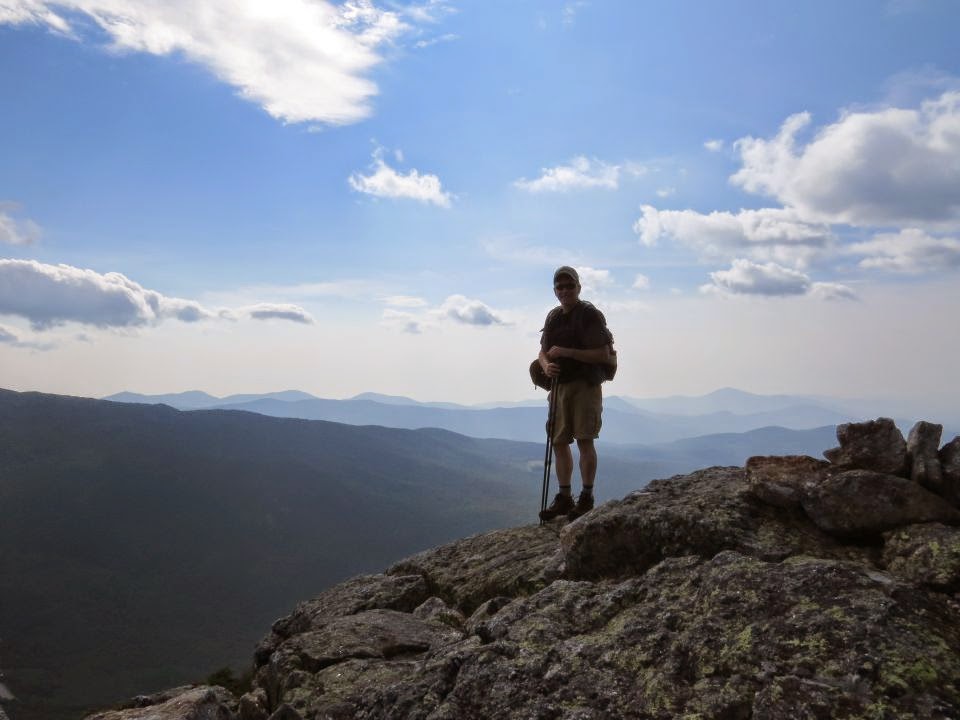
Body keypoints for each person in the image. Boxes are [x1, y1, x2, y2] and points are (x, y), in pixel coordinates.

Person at [538, 266, 614, 521]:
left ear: (579, 288)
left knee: (584, 440)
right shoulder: (553, 317)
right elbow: (543, 352)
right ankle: (564, 497)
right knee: (559, 442)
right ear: (555, 291)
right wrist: (546, 365)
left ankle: (586, 497)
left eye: (569, 286)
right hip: (559, 386)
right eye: (560, 287)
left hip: (585, 385)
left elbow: (602, 354)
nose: (565, 291)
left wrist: (567, 352)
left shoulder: (590, 315)